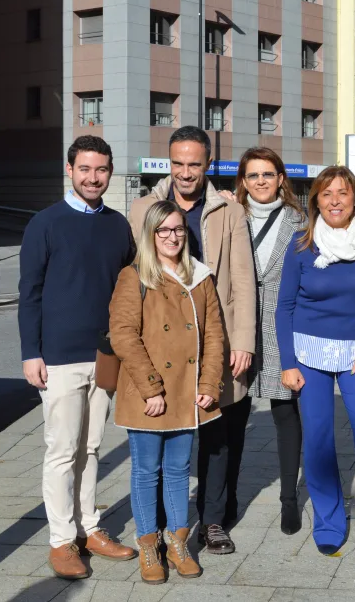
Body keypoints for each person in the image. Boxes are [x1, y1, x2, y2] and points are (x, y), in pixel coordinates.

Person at [128, 126, 256, 555]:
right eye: (178, 163)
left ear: (208, 165)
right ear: (169, 163)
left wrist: (244, 340)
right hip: (164, 343)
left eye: (194, 164)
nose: (185, 172)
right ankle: (164, 523)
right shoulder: (144, 208)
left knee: (217, 431)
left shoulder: (227, 210)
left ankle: (213, 520)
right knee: (167, 432)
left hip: (215, 335)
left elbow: (242, 278)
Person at [18, 135, 137, 579]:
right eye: (85, 169)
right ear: (70, 170)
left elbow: (129, 286)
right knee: (62, 450)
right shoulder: (45, 224)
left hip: (105, 356)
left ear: (109, 172)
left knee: (91, 448)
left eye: (101, 169)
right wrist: (32, 353)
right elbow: (28, 293)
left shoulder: (118, 225)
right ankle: (61, 540)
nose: (93, 177)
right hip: (59, 357)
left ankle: (90, 527)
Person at [275, 166, 355, 562]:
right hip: (309, 353)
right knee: (318, 438)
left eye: (342, 193)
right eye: (326, 194)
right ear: (315, 201)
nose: (334, 201)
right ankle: (329, 522)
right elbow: (284, 308)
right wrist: (288, 362)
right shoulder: (301, 244)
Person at [109, 201, 224, 584]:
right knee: (146, 471)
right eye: (163, 231)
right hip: (150, 393)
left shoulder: (200, 278)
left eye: (177, 229)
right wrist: (151, 388)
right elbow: (123, 336)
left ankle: (177, 543)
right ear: (151, 235)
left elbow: (214, 336)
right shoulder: (135, 276)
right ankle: (148, 545)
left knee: (178, 470)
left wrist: (209, 384)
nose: (172, 237)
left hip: (188, 393)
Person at [232, 147, 308, 535]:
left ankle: (289, 500)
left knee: (284, 411)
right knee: (233, 414)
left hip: (283, 323)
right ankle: (226, 499)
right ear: (243, 182)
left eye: (268, 174)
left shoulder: (301, 222)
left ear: (281, 178)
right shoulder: (230, 218)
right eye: (253, 175)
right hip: (238, 325)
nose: (261, 181)